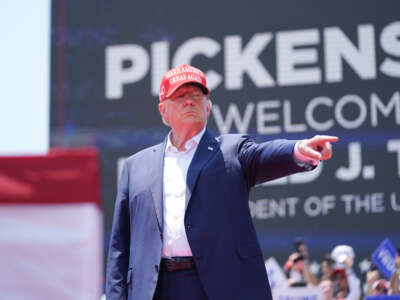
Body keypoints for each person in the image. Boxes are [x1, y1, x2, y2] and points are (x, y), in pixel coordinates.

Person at [106, 64, 338, 300]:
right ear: (163, 111)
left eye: (197, 95)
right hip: (155, 289)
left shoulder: (230, 151)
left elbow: (263, 155)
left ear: (208, 107)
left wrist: (299, 150)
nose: (189, 101)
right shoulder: (136, 167)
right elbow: (120, 248)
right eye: (180, 95)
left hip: (218, 285)